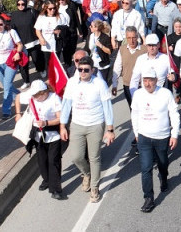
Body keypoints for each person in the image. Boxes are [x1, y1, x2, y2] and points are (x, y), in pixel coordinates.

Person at [60, 56, 115, 203]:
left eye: (86, 70)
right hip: (77, 124)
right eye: (80, 69)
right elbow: (66, 104)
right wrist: (62, 126)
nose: (83, 72)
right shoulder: (72, 83)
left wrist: (110, 129)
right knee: (76, 157)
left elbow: (107, 107)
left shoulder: (99, 84)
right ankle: (87, 173)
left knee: (94, 157)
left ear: (92, 70)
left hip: (95, 124)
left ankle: (95, 188)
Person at [131, 68, 181, 213]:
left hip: (162, 137)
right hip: (144, 137)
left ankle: (163, 177)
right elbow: (134, 114)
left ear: (156, 81)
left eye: (150, 81)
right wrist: (136, 132)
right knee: (145, 168)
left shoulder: (165, 93)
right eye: (144, 80)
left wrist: (175, 134)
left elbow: (174, 114)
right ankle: (148, 198)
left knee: (163, 163)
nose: (147, 84)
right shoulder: (138, 94)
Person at [16, 80, 66, 200]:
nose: (34, 98)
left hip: (53, 134)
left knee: (53, 161)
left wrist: (46, 122)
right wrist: (18, 113)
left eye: (37, 95)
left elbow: (60, 118)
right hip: (38, 136)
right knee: (42, 161)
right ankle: (47, 180)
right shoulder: (32, 97)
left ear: (44, 92)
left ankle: (56, 189)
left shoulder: (54, 99)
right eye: (33, 95)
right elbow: (17, 97)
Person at [111, 26, 147, 108]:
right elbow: (117, 67)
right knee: (132, 108)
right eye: (129, 38)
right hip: (128, 85)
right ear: (126, 38)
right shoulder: (122, 49)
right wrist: (114, 85)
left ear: (137, 37)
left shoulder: (144, 50)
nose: (132, 40)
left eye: (134, 37)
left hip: (142, 85)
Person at [10, 0, 37, 89]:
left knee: (36, 60)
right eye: (18, 4)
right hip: (21, 44)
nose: (21, 6)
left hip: (33, 41)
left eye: (23, 4)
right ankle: (26, 81)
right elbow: (11, 28)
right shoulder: (14, 14)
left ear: (26, 4)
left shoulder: (31, 12)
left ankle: (41, 69)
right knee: (23, 64)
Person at [35, 0, 67, 70]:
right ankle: (51, 77)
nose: (52, 10)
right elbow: (37, 30)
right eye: (50, 9)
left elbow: (65, 27)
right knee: (49, 63)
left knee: (57, 62)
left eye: (54, 8)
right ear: (46, 9)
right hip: (46, 44)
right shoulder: (41, 17)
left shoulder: (60, 16)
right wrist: (41, 38)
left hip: (57, 43)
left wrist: (60, 31)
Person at [87, 19, 113, 84]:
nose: (90, 27)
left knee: (103, 84)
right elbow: (87, 48)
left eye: (91, 26)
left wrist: (101, 46)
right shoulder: (91, 36)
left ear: (96, 28)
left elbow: (109, 51)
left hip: (103, 65)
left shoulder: (105, 37)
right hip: (93, 64)